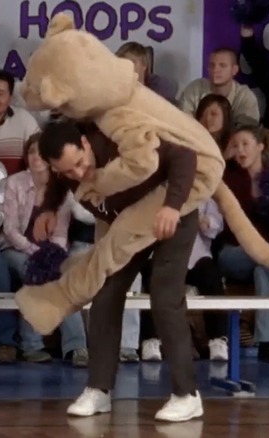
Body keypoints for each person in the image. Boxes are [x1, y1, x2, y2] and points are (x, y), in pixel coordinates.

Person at [35, 121, 203, 423]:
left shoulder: (121, 142)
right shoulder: (65, 170)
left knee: (164, 296)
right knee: (106, 292)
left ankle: (187, 395)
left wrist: (173, 205)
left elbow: (184, 156)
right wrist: (48, 208)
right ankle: (99, 388)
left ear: (86, 144)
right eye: (67, 171)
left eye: (80, 164)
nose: (78, 174)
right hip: (127, 227)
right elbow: (59, 181)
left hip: (169, 213)